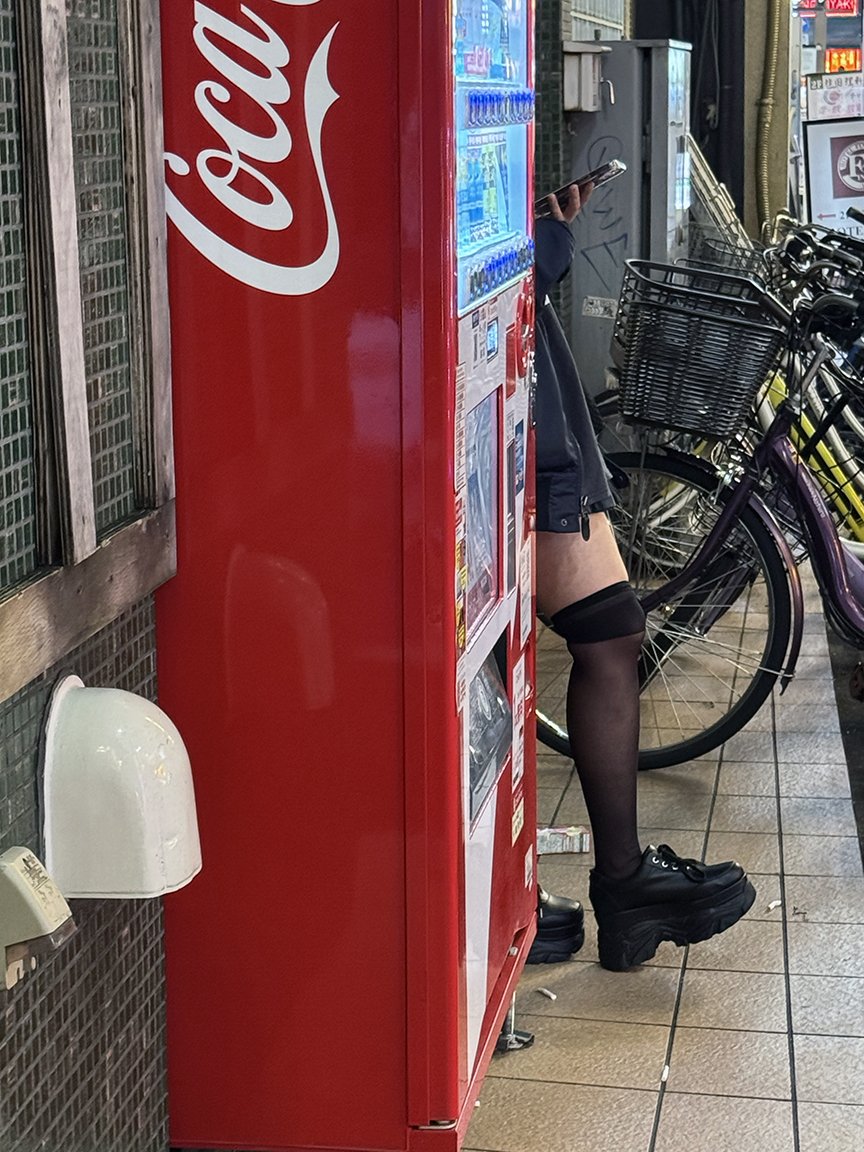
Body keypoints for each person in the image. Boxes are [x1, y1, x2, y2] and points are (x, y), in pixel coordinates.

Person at [527, 184, 756, 972]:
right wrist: (549, 244)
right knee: (493, 665)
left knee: (613, 628)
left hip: (529, 413)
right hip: (495, 416)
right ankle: (549, 890)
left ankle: (622, 889)